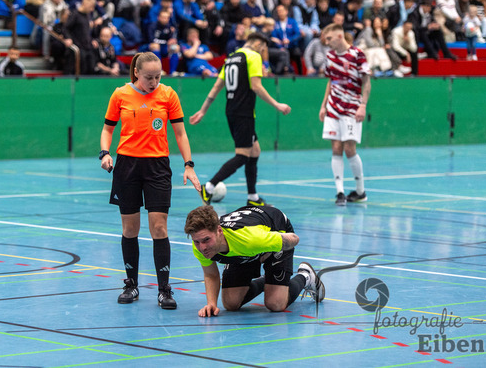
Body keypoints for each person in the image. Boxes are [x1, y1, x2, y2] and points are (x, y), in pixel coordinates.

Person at [99, 52, 201, 310]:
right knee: (130, 229)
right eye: (148, 77)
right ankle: (131, 284)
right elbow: (108, 129)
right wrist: (105, 153)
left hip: (157, 167)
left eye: (158, 77)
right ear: (136, 73)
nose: (154, 82)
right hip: (127, 167)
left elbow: (180, 133)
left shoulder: (168, 95)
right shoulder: (120, 95)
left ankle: (164, 289)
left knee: (159, 228)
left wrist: (188, 165)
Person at [190, 32, 291, 206]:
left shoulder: (231, 58)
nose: (263, 52)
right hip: (244, 112)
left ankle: (253, 197)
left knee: (255, 151)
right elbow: (256, 86)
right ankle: (209, 187)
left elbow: (216, 87)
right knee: (243, 155)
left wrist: (203, 110)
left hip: (232, 110)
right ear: (258, 44)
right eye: (263, 48)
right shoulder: (253, 56)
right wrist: (277, 105)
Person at [184, 204, 324, 317]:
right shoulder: (199, 246)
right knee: (231, 303)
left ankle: (305, 276)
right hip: (247, 247)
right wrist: (211, 304)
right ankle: (268, 280)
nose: (202, 247)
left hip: (273, 230)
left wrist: (269, 248)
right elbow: (211, 274)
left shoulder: (251, 239)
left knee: (275, 304)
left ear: (219, 231)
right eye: (197, 241)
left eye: (206, 240)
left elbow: (294, 239)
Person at [318, 23, 371, 206]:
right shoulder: (330, 56)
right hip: (333, 107)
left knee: (349, 148)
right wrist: (324, 105)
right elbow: (330, 81)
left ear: (340, 36)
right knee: (335, 148)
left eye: (329, 38)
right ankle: (340, 192)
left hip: (351, 108)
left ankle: (360, 191)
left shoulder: (357, 55)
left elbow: (367, 82)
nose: (327, 42)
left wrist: (363, 105)